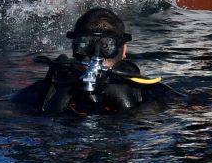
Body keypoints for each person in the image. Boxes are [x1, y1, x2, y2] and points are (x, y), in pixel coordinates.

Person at [14, 7, 168, 115]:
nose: (96, 55)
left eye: (106, 46)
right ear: (124, 50)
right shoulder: (152, 94)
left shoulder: (40, 93)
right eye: (86, 44)